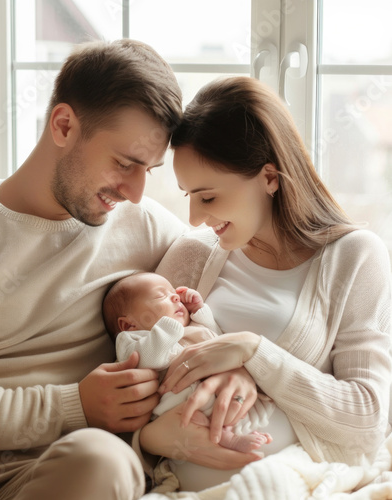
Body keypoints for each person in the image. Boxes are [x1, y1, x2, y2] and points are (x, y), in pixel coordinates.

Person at [0, 39, 197, 500]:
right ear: (63, 125)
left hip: (49, 476)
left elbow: (246, 262)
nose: (135, 191)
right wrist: (73, 405)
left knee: (106, 461)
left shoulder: (148, 228)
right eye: (124, 163)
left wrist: (239, 357)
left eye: (148, 171)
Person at [136, 76, 392, 492]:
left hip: (282, 483)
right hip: (175, 486)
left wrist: (253, 353)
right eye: (188, 197)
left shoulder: (355, 257)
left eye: (209, 197)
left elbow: (365, 422)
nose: (196, 218)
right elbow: (136, 380)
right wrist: (150, 439)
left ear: (269, 177)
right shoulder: (193, 254)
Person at [102, 271, 273, 457]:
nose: (175, 296)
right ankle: (228, 438)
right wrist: (169, 324)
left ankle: (235, 429)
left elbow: (213, 337)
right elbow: (149, 359)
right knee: (194, 416)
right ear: (128, 325)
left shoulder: (189, 330)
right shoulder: (131, 340)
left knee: (229, 402)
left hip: (211, 388)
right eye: (161, 296)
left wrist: (199, 311)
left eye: (173, 292)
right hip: (174, 403)